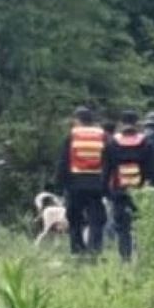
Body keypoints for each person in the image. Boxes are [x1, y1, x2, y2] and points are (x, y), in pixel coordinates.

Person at [101, 110, 154, 262]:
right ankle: (141, 257)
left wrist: (106, 192)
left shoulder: (112, 144)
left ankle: (125, 259)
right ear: (137, 123)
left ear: (121, 123)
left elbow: (106, 170)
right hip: (140, 192)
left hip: (119, 192)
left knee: (122, 228)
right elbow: (153, 170)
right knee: (141, 226)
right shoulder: (146, 143)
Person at [54, 106, 107, 255]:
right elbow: (108, 160)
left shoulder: (72, 135)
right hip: (96, 183)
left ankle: (77, 250)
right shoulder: (101, 135)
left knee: (75, 218)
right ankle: (95, 250)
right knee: (96, 219)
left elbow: (63, 161)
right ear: (91, 120)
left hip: (75, 184)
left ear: (77, 120)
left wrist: (59, 184)